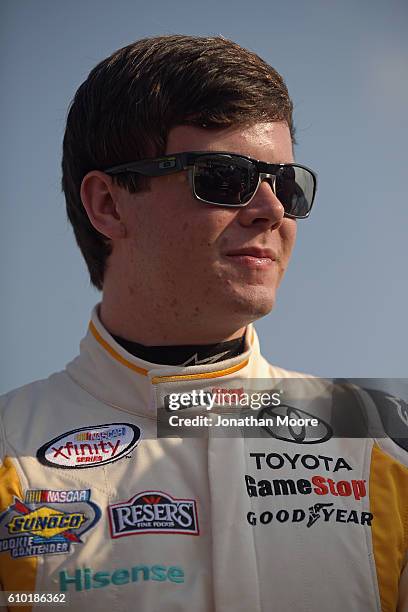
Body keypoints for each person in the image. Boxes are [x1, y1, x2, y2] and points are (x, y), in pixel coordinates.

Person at [0, 34, 407, 612]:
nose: (270, 209)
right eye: (222, 177)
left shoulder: (385, 444)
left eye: (285, 183)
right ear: (108, 205)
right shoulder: (10, 450)